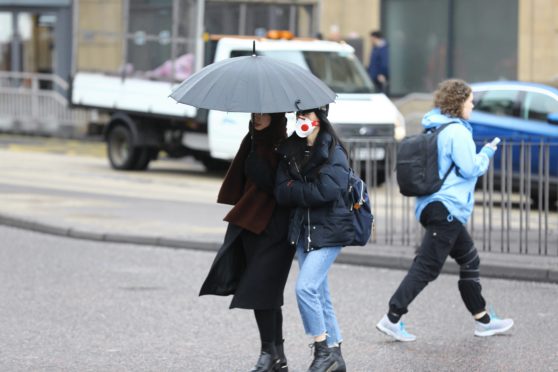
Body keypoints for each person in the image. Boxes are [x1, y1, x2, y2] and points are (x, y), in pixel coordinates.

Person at [375, 79, 514, 342]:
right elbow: (470, 168)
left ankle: (483, 320)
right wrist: (486, 153)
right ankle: (392, 317)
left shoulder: (433, 127)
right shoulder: (457, 132)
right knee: (427, 267)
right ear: (459, 102)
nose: (472, 106)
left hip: (432, 207)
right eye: (470, 101)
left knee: (470, 259)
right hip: (446, 208)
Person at [199, 113, 295, 372]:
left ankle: (267, 353)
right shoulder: (251, 141)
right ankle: (277, 355)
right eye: (255, 112)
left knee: (260, 289)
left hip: (277, 230)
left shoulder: (285, 146)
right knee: (269, 293)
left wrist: (263, 173)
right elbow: (239, 182)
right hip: (251, 226)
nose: (258, 116)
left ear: (275, 116)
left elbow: (287, 190)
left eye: (264, 113)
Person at [275, 105, 350, 372]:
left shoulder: (333, 151)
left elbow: (328, 190)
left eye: (306, 115)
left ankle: (321, 351)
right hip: (304, 229)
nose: (301, 120)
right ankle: (335, 354)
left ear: (320, 120)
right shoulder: (290, 150)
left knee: (304, 288)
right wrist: (304, 190)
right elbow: (281, 191)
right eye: (298, 115)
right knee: (319, 292)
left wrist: (298, 189)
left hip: (330, 230)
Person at [367, 30, 389, 95]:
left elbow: (384, 62)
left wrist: (382, 73)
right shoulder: (375, 48)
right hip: (373, 75)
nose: (370, 40)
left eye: (371, 38)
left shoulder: (383, 48)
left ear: (374, 38)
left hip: (379, 77)